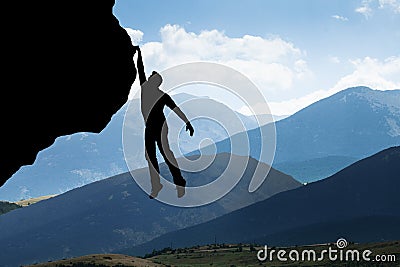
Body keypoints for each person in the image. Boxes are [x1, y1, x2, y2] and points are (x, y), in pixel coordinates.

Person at [135, 46, 194, 199]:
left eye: (151, 77)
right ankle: (161, 185)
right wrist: (187, 122)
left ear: (154, 82)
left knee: (162, 154)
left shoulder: (148, 89)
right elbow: (176, 108)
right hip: (153, 126)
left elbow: (175, 108)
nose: (148, 77)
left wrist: (139, 54)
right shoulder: (154, 91)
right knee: (153, 155)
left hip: (159, 127)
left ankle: (176, 182)